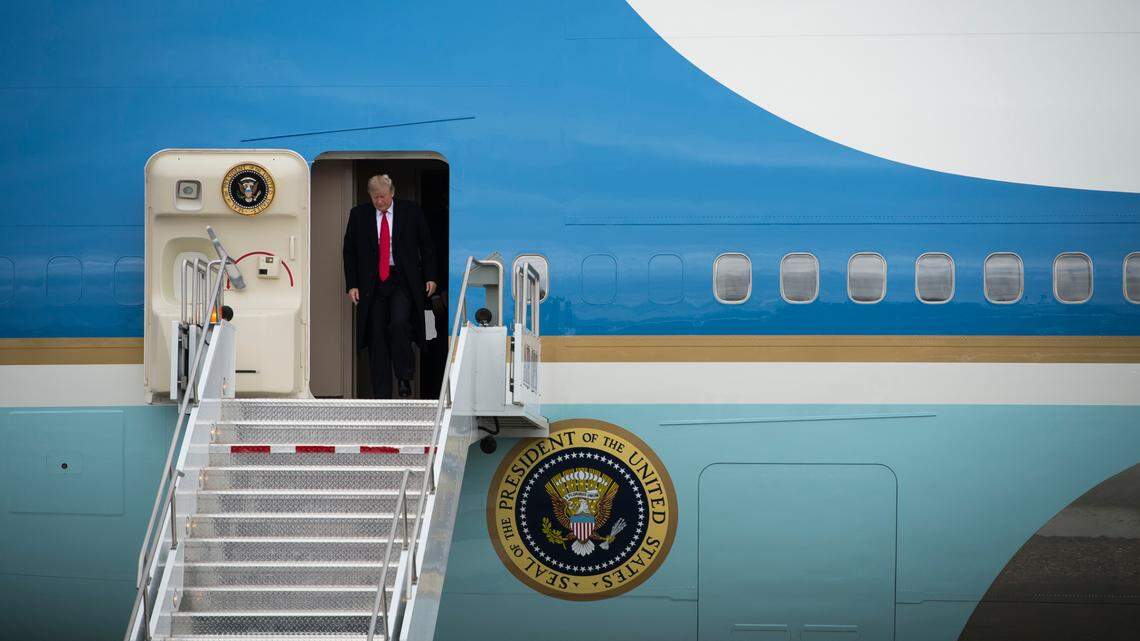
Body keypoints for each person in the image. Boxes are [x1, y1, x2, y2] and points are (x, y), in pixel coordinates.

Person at [342, 175, 438, 398]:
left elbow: (427, 245)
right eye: (375, 197)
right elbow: (349, 252)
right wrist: (352, 284)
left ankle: (404, 378)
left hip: (402, 281)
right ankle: (381, 393)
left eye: (383, 196)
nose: (379, 202)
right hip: (372, 283)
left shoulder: (411, 211)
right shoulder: (359, 215)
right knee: (376, 336)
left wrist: (431, 277)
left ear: (392, 193)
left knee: (399, 324)